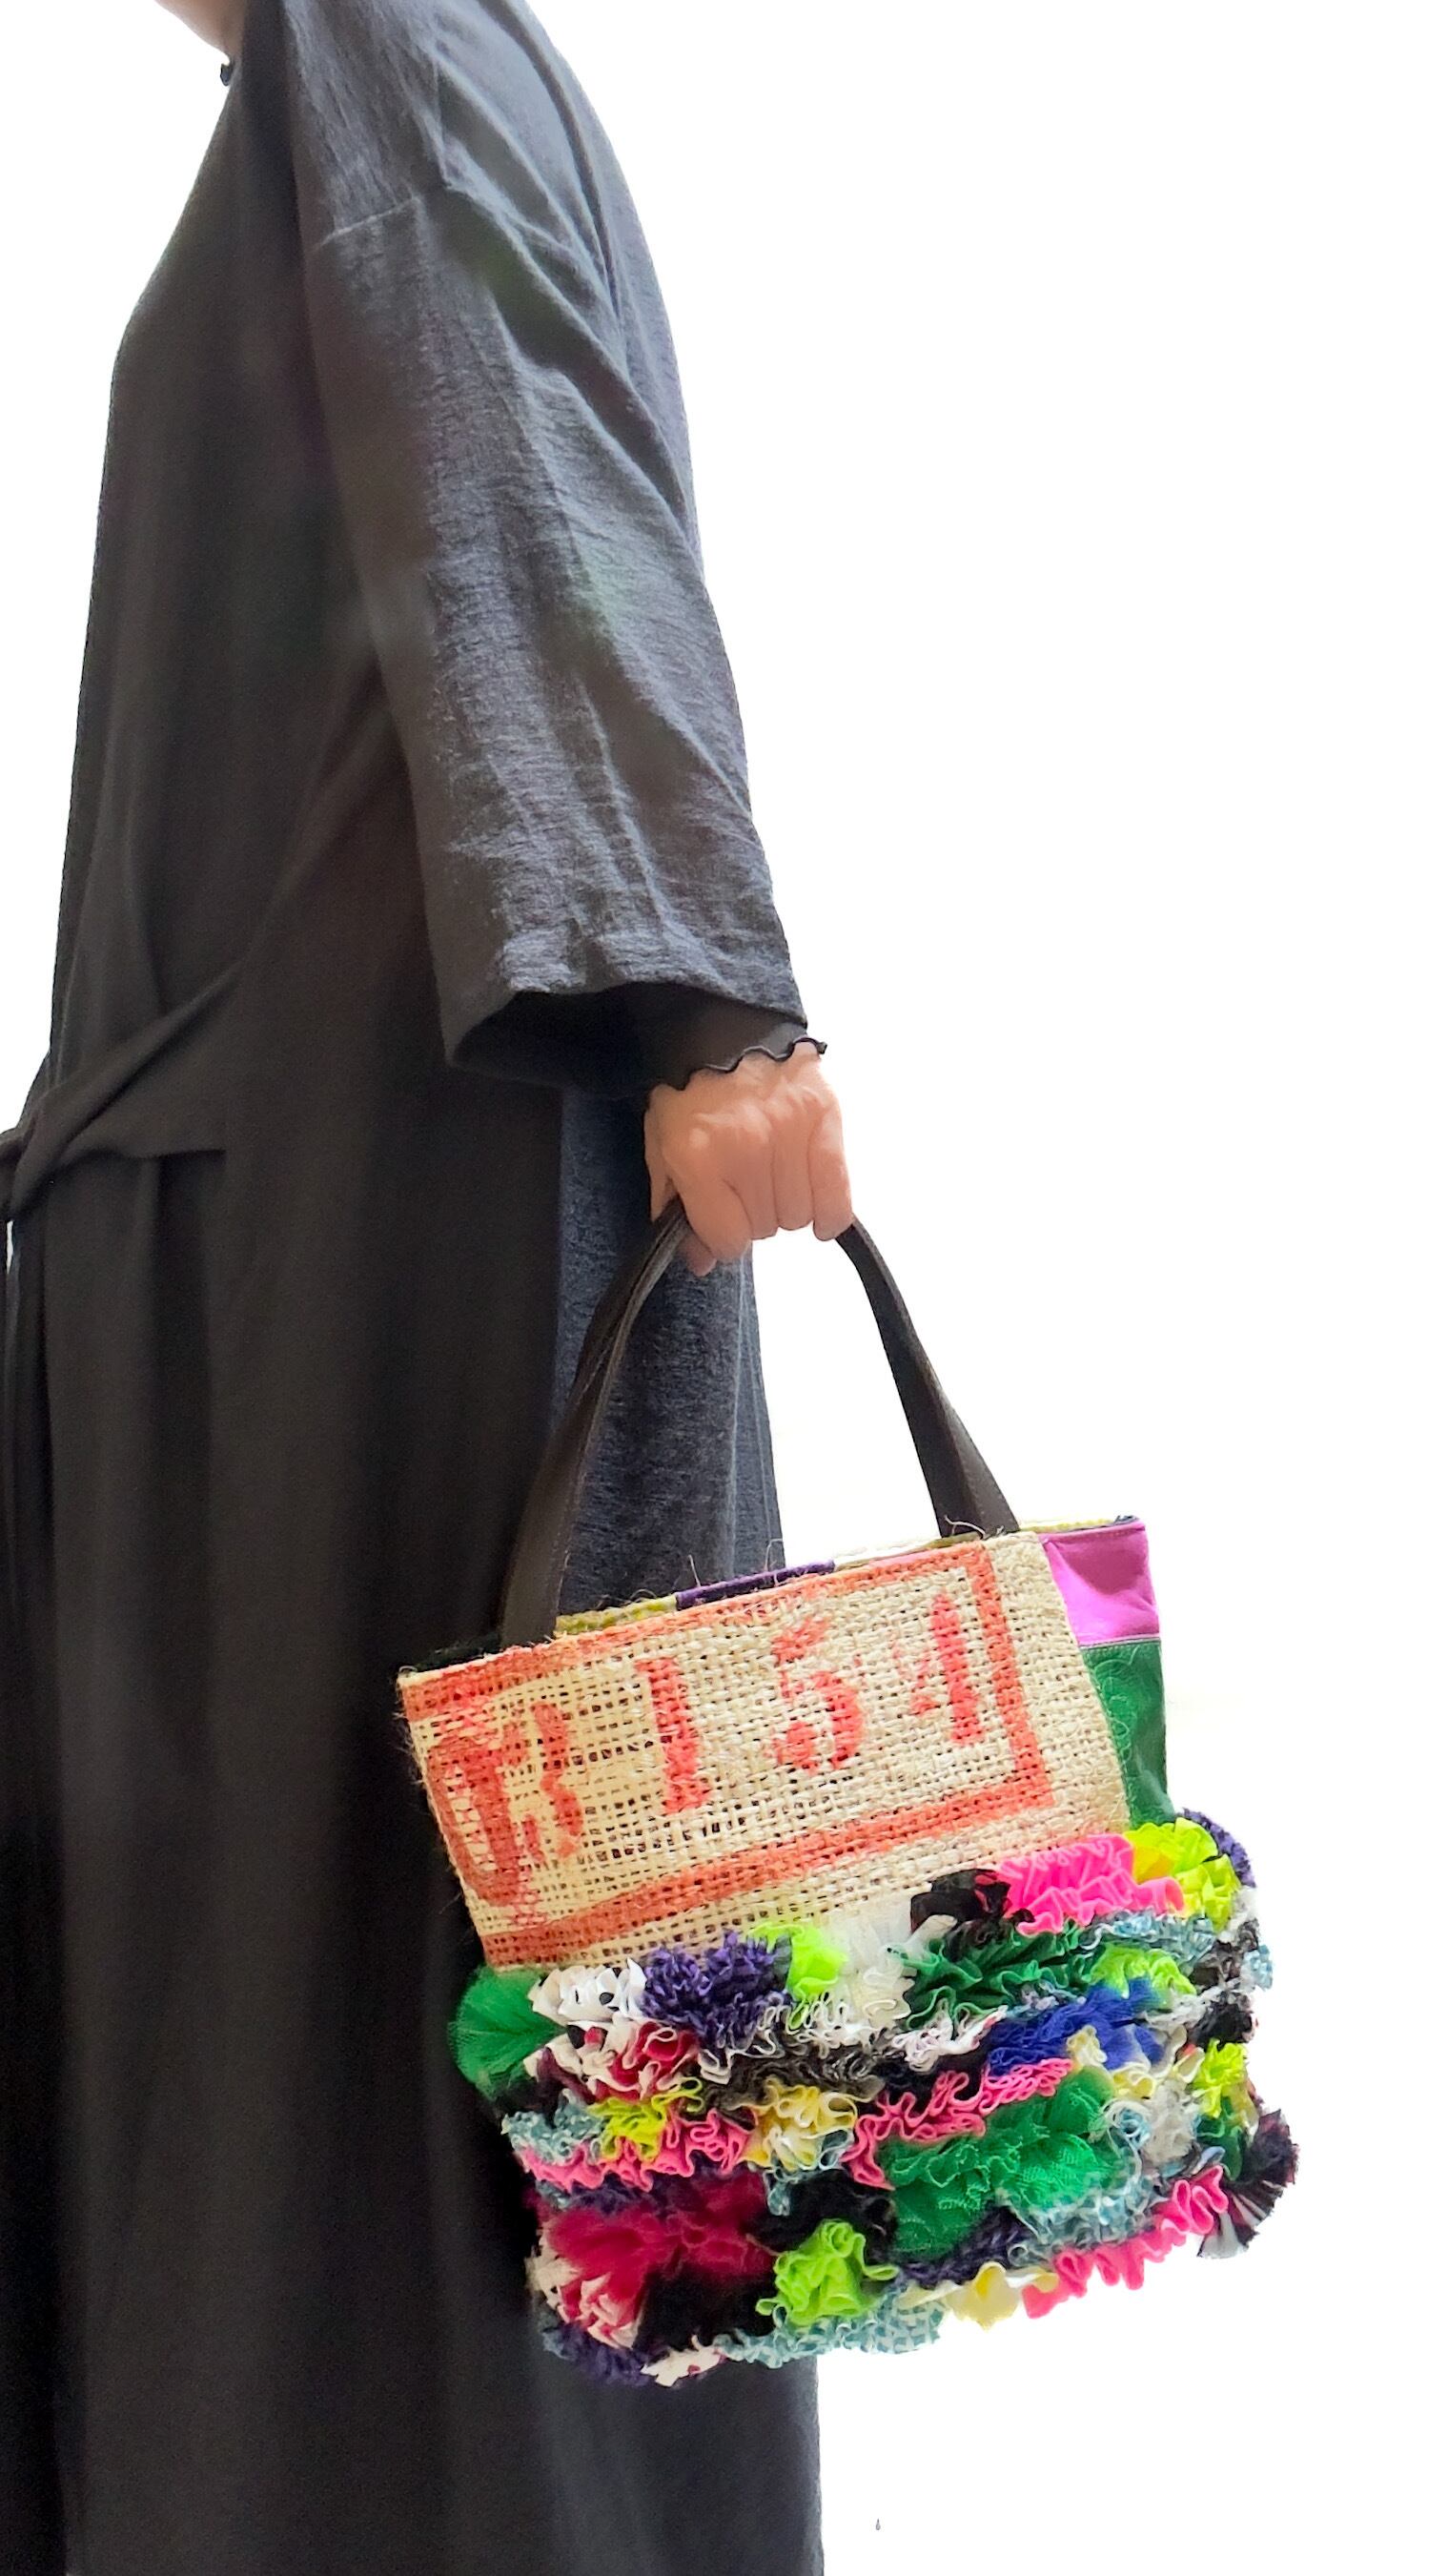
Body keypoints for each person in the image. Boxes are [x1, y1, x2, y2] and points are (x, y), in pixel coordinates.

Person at [0, 3, 851, 2568]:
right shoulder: (324, 78)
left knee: (440, 1960)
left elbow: (525, 470)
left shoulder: (384, 30)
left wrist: (703, 1004)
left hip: (387, 1214)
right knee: (375, 1965)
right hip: (293, 1184)